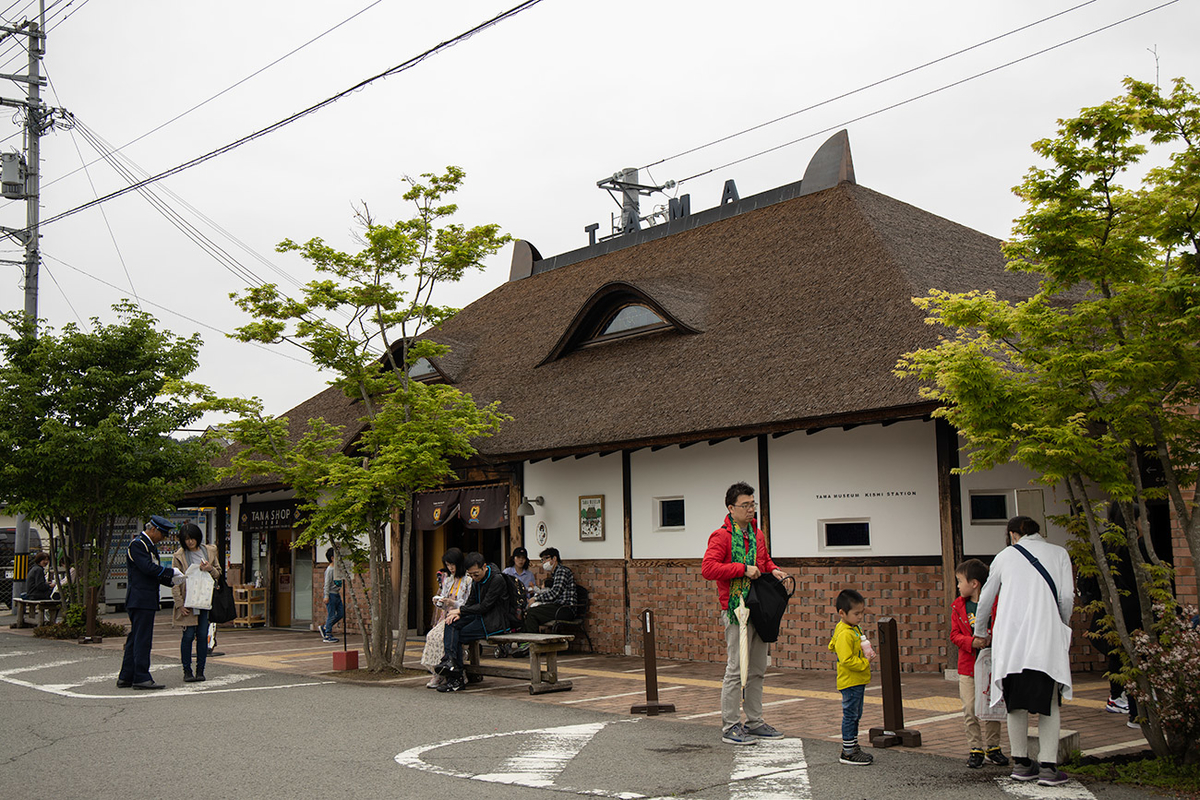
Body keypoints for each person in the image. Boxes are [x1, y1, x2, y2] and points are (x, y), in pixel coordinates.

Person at [974, 515, 1074, 787]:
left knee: (1015, 703)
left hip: (1012, 642)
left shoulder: (1005, 556)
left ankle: (1020, 763)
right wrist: (1060, 626)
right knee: (1049, 704)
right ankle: (1049, 767)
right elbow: (1066, 599)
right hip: (1046, 640)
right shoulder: (1059, 553)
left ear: (1012, 534)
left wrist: (980, 632)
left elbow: (985, 598)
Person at [701, 481, 789, 746]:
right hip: (735, 608)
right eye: (746, 505)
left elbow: (762, 561)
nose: (751, 510)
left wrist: (772, 569)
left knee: (758, 668)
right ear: (731, 508)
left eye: (753, 504)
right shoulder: (722, 536)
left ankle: (755, 722)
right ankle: (730, 725)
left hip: (758, 607)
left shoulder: (756, 534)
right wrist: (741, 568)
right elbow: (708, 569)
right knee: (736, 668)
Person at [950, 558, 1007, 769]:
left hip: (991, 664)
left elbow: (1004, 627)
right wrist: (971, 642)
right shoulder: (958, 607)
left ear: (974, 583)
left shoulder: (996, 604)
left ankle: (993, 746)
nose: (958, 586)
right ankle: (975, 748)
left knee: (992, 705)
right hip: (968, 665)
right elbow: (954, 635)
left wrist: (992, 638)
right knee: (970, 706)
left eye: (960, 581)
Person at [117, 516, 185, 690]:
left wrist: (172, 580)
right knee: (142, 639)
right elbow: (147, 568)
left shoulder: (149, 546)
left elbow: (152, 573)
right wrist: (170, 572)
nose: (164, 537)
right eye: (162, 533)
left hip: (144, 598)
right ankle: (141, 676)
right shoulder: (138, 544)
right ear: (153, 529)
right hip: (140, 599)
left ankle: (126, 676)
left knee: (135, 638)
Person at [435, 551, 516, 693]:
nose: (473, 578)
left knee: (457, 635)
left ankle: (455, 675)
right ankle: (451, 663)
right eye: (470, 575)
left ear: (484, 567)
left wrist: (461, 611)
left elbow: (485, 606)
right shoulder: (475, 580)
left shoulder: (497, 579)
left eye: (476, 574)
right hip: (479, 616)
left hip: (494, 622)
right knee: (451, 623)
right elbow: (471, 602)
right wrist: (459, 615)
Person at [171, 522, 221, 683]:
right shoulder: (179, 555)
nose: (190, 542)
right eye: (186, 539)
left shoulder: (209, 551)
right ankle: (187, 670)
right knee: (188, 635)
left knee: (201, 635)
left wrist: (210, 569)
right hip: (188, 599)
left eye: (192, 538)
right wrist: (180, 603)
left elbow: (218, 573)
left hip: (205, 598)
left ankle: (201, 670)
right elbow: (175, 581)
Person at [829, 588, 874, 765]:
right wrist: (865, 662)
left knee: (855, 713)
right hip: (851, 680)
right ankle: (848, 750)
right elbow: (847, 660)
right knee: (851, 714)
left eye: (862, 613)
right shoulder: (846, 633)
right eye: (856, 613)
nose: (860, 617)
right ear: (842, 613)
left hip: (857, 680)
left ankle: (852, 746)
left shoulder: (852, 627)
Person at [421, 548, 472, 688]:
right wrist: (440, 602)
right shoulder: (448, 579)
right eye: (448, 565)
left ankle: (452, 672)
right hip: (448, 616)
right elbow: (444, 600)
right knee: (432, 636)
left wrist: (453, 603)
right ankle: (438, 672)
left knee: (443, 638)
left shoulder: (468, 580)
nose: (450, 568)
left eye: (452, 565)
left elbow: (468, 603)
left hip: (461, 615)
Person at [521, 547, 576, 633]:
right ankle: (532, 640)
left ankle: (533, 642)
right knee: (530, 611)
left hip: (565, 609)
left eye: (545, 559)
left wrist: (536, 599)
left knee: (532, 613)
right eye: (542, 560)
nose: (543, 562)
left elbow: (555, 593)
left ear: (554, 558)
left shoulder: (562, 571)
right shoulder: (555, 573)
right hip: (558, 607)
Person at [320, 547, 344, 643]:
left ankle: (325, 627)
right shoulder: (330, 570)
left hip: (337, 594)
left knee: (340, 613)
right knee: (331, 614)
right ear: (332, 558)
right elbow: (326, 583)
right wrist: (326, 595)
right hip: (331, 594)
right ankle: (327, 634)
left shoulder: (337, 568)